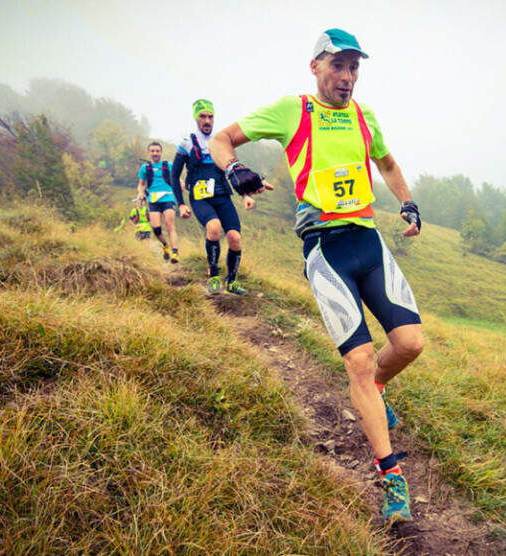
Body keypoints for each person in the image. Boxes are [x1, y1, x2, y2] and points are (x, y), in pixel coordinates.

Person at [210, 28, 423, 522]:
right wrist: (234, 169)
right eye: (337, 65)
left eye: (354, 68)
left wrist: (407, 202)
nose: (347, 77)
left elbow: (388, 164)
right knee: (360, 360)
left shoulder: (364, 116)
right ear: (315, 67)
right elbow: (221, 140)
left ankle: (375, 391)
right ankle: (391, 476)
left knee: (410, 343)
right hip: (326, 250)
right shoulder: (294, 110)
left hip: (367, 241)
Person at [172, 99, 254, 295]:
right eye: (203, 116)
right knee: (214, 228)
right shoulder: (187, 143)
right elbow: (174, 175)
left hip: (222, 195)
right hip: (200, 198)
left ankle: (232, 282)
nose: (207, 120)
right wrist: (181, 204)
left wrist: (245, 195)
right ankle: (214, 276)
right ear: (196, 118)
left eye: (210, 116)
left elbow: (233, 170)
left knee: (235, 238)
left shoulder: (221, 141)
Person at [137, 142, 190, 264]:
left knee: (169, 225)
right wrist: (140, 193)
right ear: (149, 152)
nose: (155, 153)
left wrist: (181, 184)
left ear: (161, 152)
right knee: (156, 228)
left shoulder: (169, 166)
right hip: (153, 199)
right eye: (152, 151)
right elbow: (141, 184)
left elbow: (178, 179)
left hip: (168, 197)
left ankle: (175, 252)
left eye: (157, 151)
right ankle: (165, 245)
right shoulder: (145, 168)